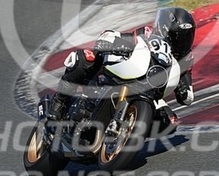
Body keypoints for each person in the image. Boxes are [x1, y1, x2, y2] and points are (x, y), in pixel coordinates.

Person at [46, 7, 196, 122]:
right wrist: (111, 41)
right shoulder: (147, 34)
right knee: (85, 58)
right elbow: (120, 37)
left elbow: (188, 97)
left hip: (150, 93)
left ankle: (130, 130)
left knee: (170, 121)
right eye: (177, 36)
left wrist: (183, 90)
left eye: (186, 37)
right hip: (128, 70)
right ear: (165, 29)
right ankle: (60, 101)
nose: (182, 42)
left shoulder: (186, 59)